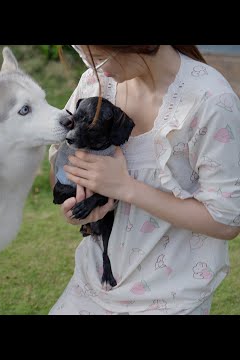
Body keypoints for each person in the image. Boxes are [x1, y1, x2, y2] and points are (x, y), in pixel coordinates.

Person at [48, 45, 240, 315]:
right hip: (95, 281)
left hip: (172, 295)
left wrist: (126, 188)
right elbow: (59, 159)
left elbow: (226, 220)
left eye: (100, 58)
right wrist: (77, 205)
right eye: (84, 56)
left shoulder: (211, 101)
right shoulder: (95, 83)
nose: (94, 67)